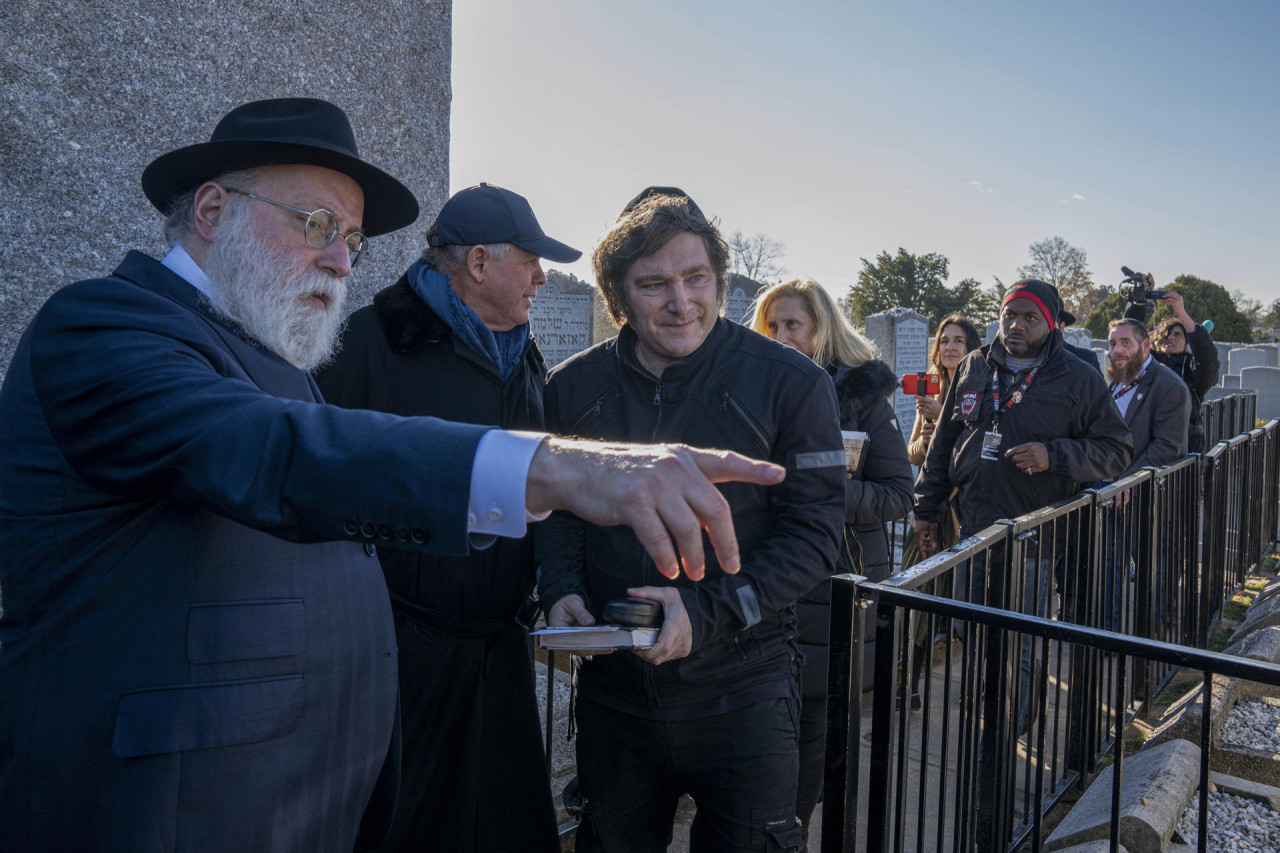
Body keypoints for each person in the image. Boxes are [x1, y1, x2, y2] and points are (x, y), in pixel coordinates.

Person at [0, 100, 785, 852]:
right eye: (317, 225)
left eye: (352, 238)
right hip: (175, 800)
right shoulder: (102, 327)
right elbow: (280, 452)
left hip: (313, 781)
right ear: (211, 211)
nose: (341, 258)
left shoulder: (275, 355)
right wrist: (557, 464)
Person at [536, 191, 845, 852]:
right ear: (618, 297)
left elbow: (816, 535)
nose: (681, 303)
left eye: (696, 278)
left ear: (719, 280)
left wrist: (705, 612)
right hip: (615, 694)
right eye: (654, 285)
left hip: (744, 687)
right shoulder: (570, 387)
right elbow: (556, 509)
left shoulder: (792, 383)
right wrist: (559, 585)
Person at [314, 183, 581, 852]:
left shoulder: (524, 357)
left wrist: (557, 585)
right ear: (480, 263)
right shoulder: (369, 343)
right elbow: (315, 476)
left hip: (498, 654)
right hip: (403, 657)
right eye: (531, 260)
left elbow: (537, 487)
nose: (543, 277)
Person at [913, 280, 1132, 733]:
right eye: (1009, 314)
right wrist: (925, 508)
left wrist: (1055, 455)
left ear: (1049, 324)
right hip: (973, 526)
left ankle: (1013, 722)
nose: (1015, 325)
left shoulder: (1078, 376)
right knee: (973, 627)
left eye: (1029, 317)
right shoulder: (975, 366)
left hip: (1034, 534)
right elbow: (945, 445)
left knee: (1020, 637)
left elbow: (1116, 449)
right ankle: (984, 707)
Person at [750, 279, 912, 843]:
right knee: (764, 717)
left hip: (834, 577)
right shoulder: (753, 387)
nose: (781, 336)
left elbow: (896, 493)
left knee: (814, 721)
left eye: (792, 324)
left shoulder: (863, 397)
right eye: (771, 326)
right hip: (765, 572)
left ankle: (793, 830)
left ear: (823, 328)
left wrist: (819, 492)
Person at [1098, 317, 1191, 629]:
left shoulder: (1170, 386)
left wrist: (1128, 482)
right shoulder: (1114, 382)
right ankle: (1109, 631)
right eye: (1112, 343)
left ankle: (1151, 633)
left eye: (1125, 342)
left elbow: (1168, 445)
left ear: (1146, 345)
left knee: (1153, 568)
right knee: (1109, 564)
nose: (1117, 350)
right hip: (1108, 492)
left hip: (1149, 496)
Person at [1124, 287, 1220, 452]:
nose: (1170, 337)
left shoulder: (1192, 371)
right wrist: (1139, 302)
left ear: (1187, 342)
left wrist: (1182, 314)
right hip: (1140, 444)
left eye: (1177, 334)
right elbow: (1128, 338)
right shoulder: (1145, 363)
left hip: (1181, 451)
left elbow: (1208, 361)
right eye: (1166, 333)